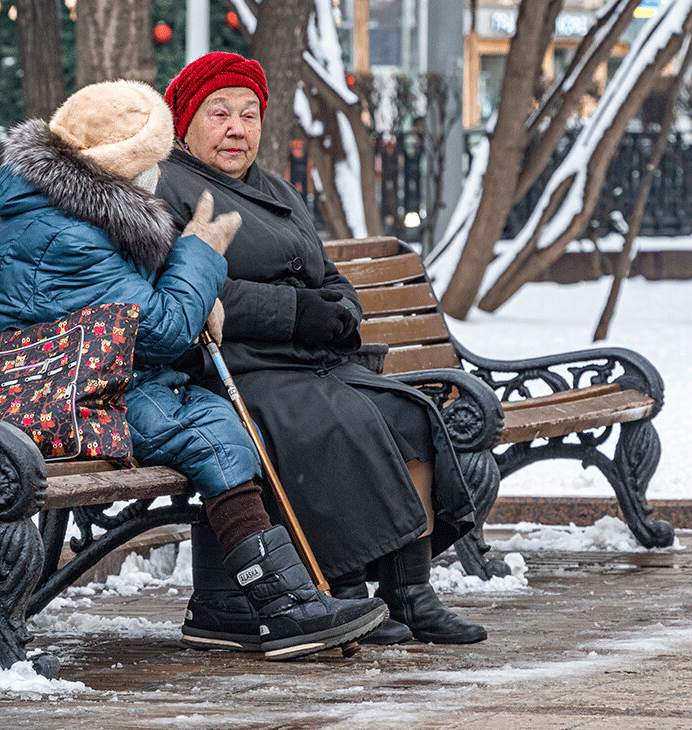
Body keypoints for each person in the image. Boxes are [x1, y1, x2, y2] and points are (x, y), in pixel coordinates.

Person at [0, 79, 387, 660]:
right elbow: (162, 329)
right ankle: (282, 607)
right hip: (62, 395)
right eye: (151, 159)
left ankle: (256, 604)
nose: (159, 173)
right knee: (212, 435)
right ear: (116, 162)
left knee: (222, 420)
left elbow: (137, 317)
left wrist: (202, 294)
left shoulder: (73, 211)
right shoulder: (70, 233)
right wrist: (201, 254)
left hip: (99, 378)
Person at [156, 52, 488, 645]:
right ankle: (343, 587)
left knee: (407, 413)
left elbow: (325, 272)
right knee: (333, 422)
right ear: (186, 121)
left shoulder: (276, 186)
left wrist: (340, 311)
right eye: (220, 114)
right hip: (235, 368)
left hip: (307, 360)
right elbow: (190, 282)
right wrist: (294, 313)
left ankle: (409, 590)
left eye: (250, 115)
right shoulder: (166, 186)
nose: (237, 129)